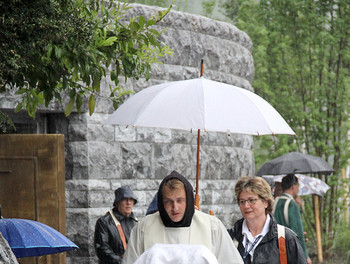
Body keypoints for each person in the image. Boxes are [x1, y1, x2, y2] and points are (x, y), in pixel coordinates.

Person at [122, 170, 243, 264]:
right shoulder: (144, 228)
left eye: (180, 200)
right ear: (161, 202)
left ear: (189, 200)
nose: (175, 208)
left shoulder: (211, 227)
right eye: (169, 201)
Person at [227, 176, 307, 264]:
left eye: (251, 200)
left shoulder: (286, 238)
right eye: (242, 201)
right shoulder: (230, 237)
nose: (246, 206)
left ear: (265, 202)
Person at [273, 174, 312, 264]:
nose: (298, 189)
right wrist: (305, 256)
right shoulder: (292, 204)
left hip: (276, 249)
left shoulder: (275, 202)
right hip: (290, 251)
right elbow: (297, 233)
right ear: (293, 187)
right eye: (298, 186)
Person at [94, 186, 138, 264]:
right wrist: (121, 261)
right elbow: (102, 249)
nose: (128, 203)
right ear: (117, 203)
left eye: (131, 200)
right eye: (125, 199)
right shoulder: (104, 222)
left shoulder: (135, 222)